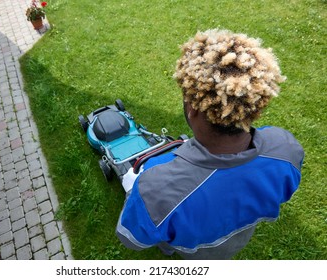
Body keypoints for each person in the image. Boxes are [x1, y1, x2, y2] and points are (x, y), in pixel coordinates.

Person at [116, 29, 304, 259]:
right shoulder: (286, 147)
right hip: (238, 240)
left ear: (192, 108)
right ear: (256, 104)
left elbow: (132, 239)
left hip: (193, 252)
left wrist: (131, 188)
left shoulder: (155, 187)